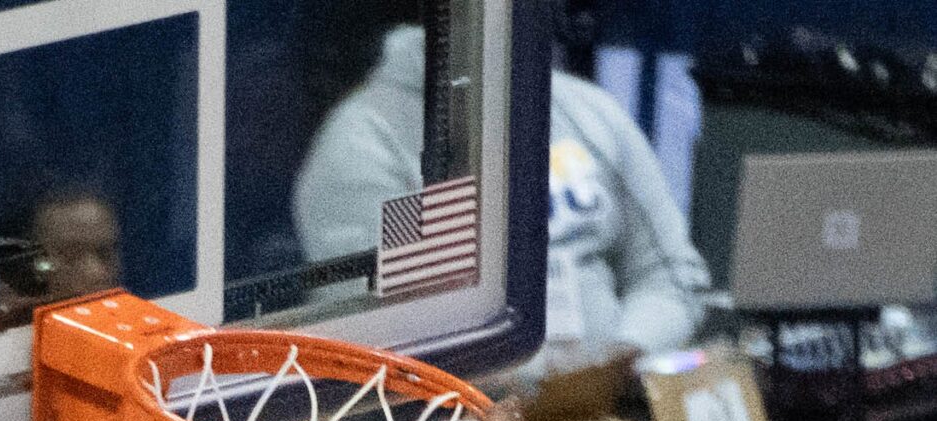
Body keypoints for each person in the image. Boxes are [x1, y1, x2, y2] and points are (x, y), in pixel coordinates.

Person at [294, 14, 710, 370]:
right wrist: (538, 383)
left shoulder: (586, 109)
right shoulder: (364, 141)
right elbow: (389, 332)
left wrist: (621, 355)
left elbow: (672, 276)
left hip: (610, 413)